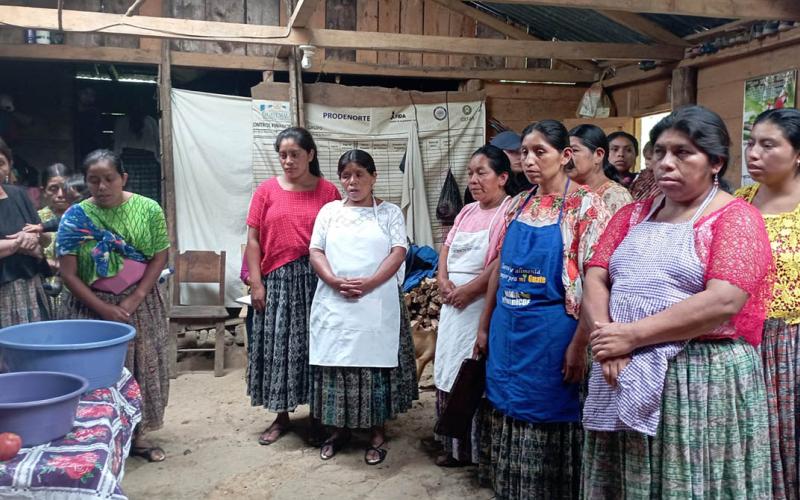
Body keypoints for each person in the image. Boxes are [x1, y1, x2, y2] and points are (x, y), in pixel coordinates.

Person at [581, 106, 774, 498]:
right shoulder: (634, 214)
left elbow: (724, 300)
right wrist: (606, 339)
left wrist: (632, 336)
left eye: (683, 153)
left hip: (699, 377)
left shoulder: (736, 218)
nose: (665, 163)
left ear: (715, 162)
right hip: (620, 363)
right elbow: (596, 274)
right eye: (659, 152)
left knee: (688, 477)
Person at [474, 120, 611, 499]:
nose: (530, 160)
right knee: (506, 405)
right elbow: (499, 269)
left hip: (555, 334)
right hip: (507, 330)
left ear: (565, 156)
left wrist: (579, 345)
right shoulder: (518, 204)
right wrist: (484, 326)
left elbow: (595, 284)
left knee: (550, 410)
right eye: (524, 152)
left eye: (540, 152)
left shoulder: (586, 207)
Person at [57, 149, 170, 463]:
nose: (102, 187)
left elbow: (159, 256)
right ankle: (96, 440)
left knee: (141, 366)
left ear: (124, 178)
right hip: (88, 307)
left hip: (140, 303)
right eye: (94, 180)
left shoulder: (148, 209)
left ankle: (138, 435)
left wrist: (134, 298)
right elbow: (68, 273)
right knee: (94, 374)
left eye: (109, 179)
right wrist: (103, 309)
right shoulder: (75, 217)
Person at [308, 149, 417, 465]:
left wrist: (370, 283)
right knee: (338, 364)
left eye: (359, 175)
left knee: (374, 367)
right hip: (336, 301)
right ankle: (338, 431)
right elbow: (316, 251)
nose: (352, 182)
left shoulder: (390, 213)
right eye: (346, 176)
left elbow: (398, 251)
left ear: (373, 177)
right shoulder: (329, 212)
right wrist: (333, 280)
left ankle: (377, 432)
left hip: (376, 299)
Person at [245, 127, 341, 445]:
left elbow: (338, 239)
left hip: (318, 281)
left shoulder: (328, 192)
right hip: (278, 282)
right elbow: (253, 239)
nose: (288, 161)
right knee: (279, 349)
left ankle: (317, 417)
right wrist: (257, 283)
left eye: (294, 154)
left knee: (317, 347)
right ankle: (281, 416)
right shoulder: (266, 191)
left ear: (310, 154)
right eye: (283, 155)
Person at [433, 145, 513, 467]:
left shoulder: (508, 211)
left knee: (471, 373)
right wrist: (442, 279)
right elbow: (446, 246)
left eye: (482, 173)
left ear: (502, 177)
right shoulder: (466, 211)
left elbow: (499, 261)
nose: (473, 180)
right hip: (452, 303)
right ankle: (451, 446)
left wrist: (470, 291)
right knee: (448, 369)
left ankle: (475, 453)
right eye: (470, 173)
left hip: (480, 303)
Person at [737, 108, 800, 500]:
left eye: (768, 144)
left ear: (798, 154)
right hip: (742, 344)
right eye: (751, 143)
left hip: (792, 345)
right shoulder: (737, 205)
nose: (753, 153)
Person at [0, 136, 50, 327]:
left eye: (1, 163)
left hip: (30, 288)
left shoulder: (18, 194)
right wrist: (18, 243)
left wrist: (34, 237)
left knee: (36, 341)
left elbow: (44, 238)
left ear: (9, 165)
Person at [568, 124, 632, 214]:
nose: (566, 157)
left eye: (574, 150)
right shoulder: (566, 193)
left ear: (598, 155)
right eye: (565, 152)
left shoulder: (617, 196)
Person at [464, 131, 531, 204]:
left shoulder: (530, 181)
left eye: (523, 152)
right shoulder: (476, 187)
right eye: (512, 152)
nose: (520, 157)